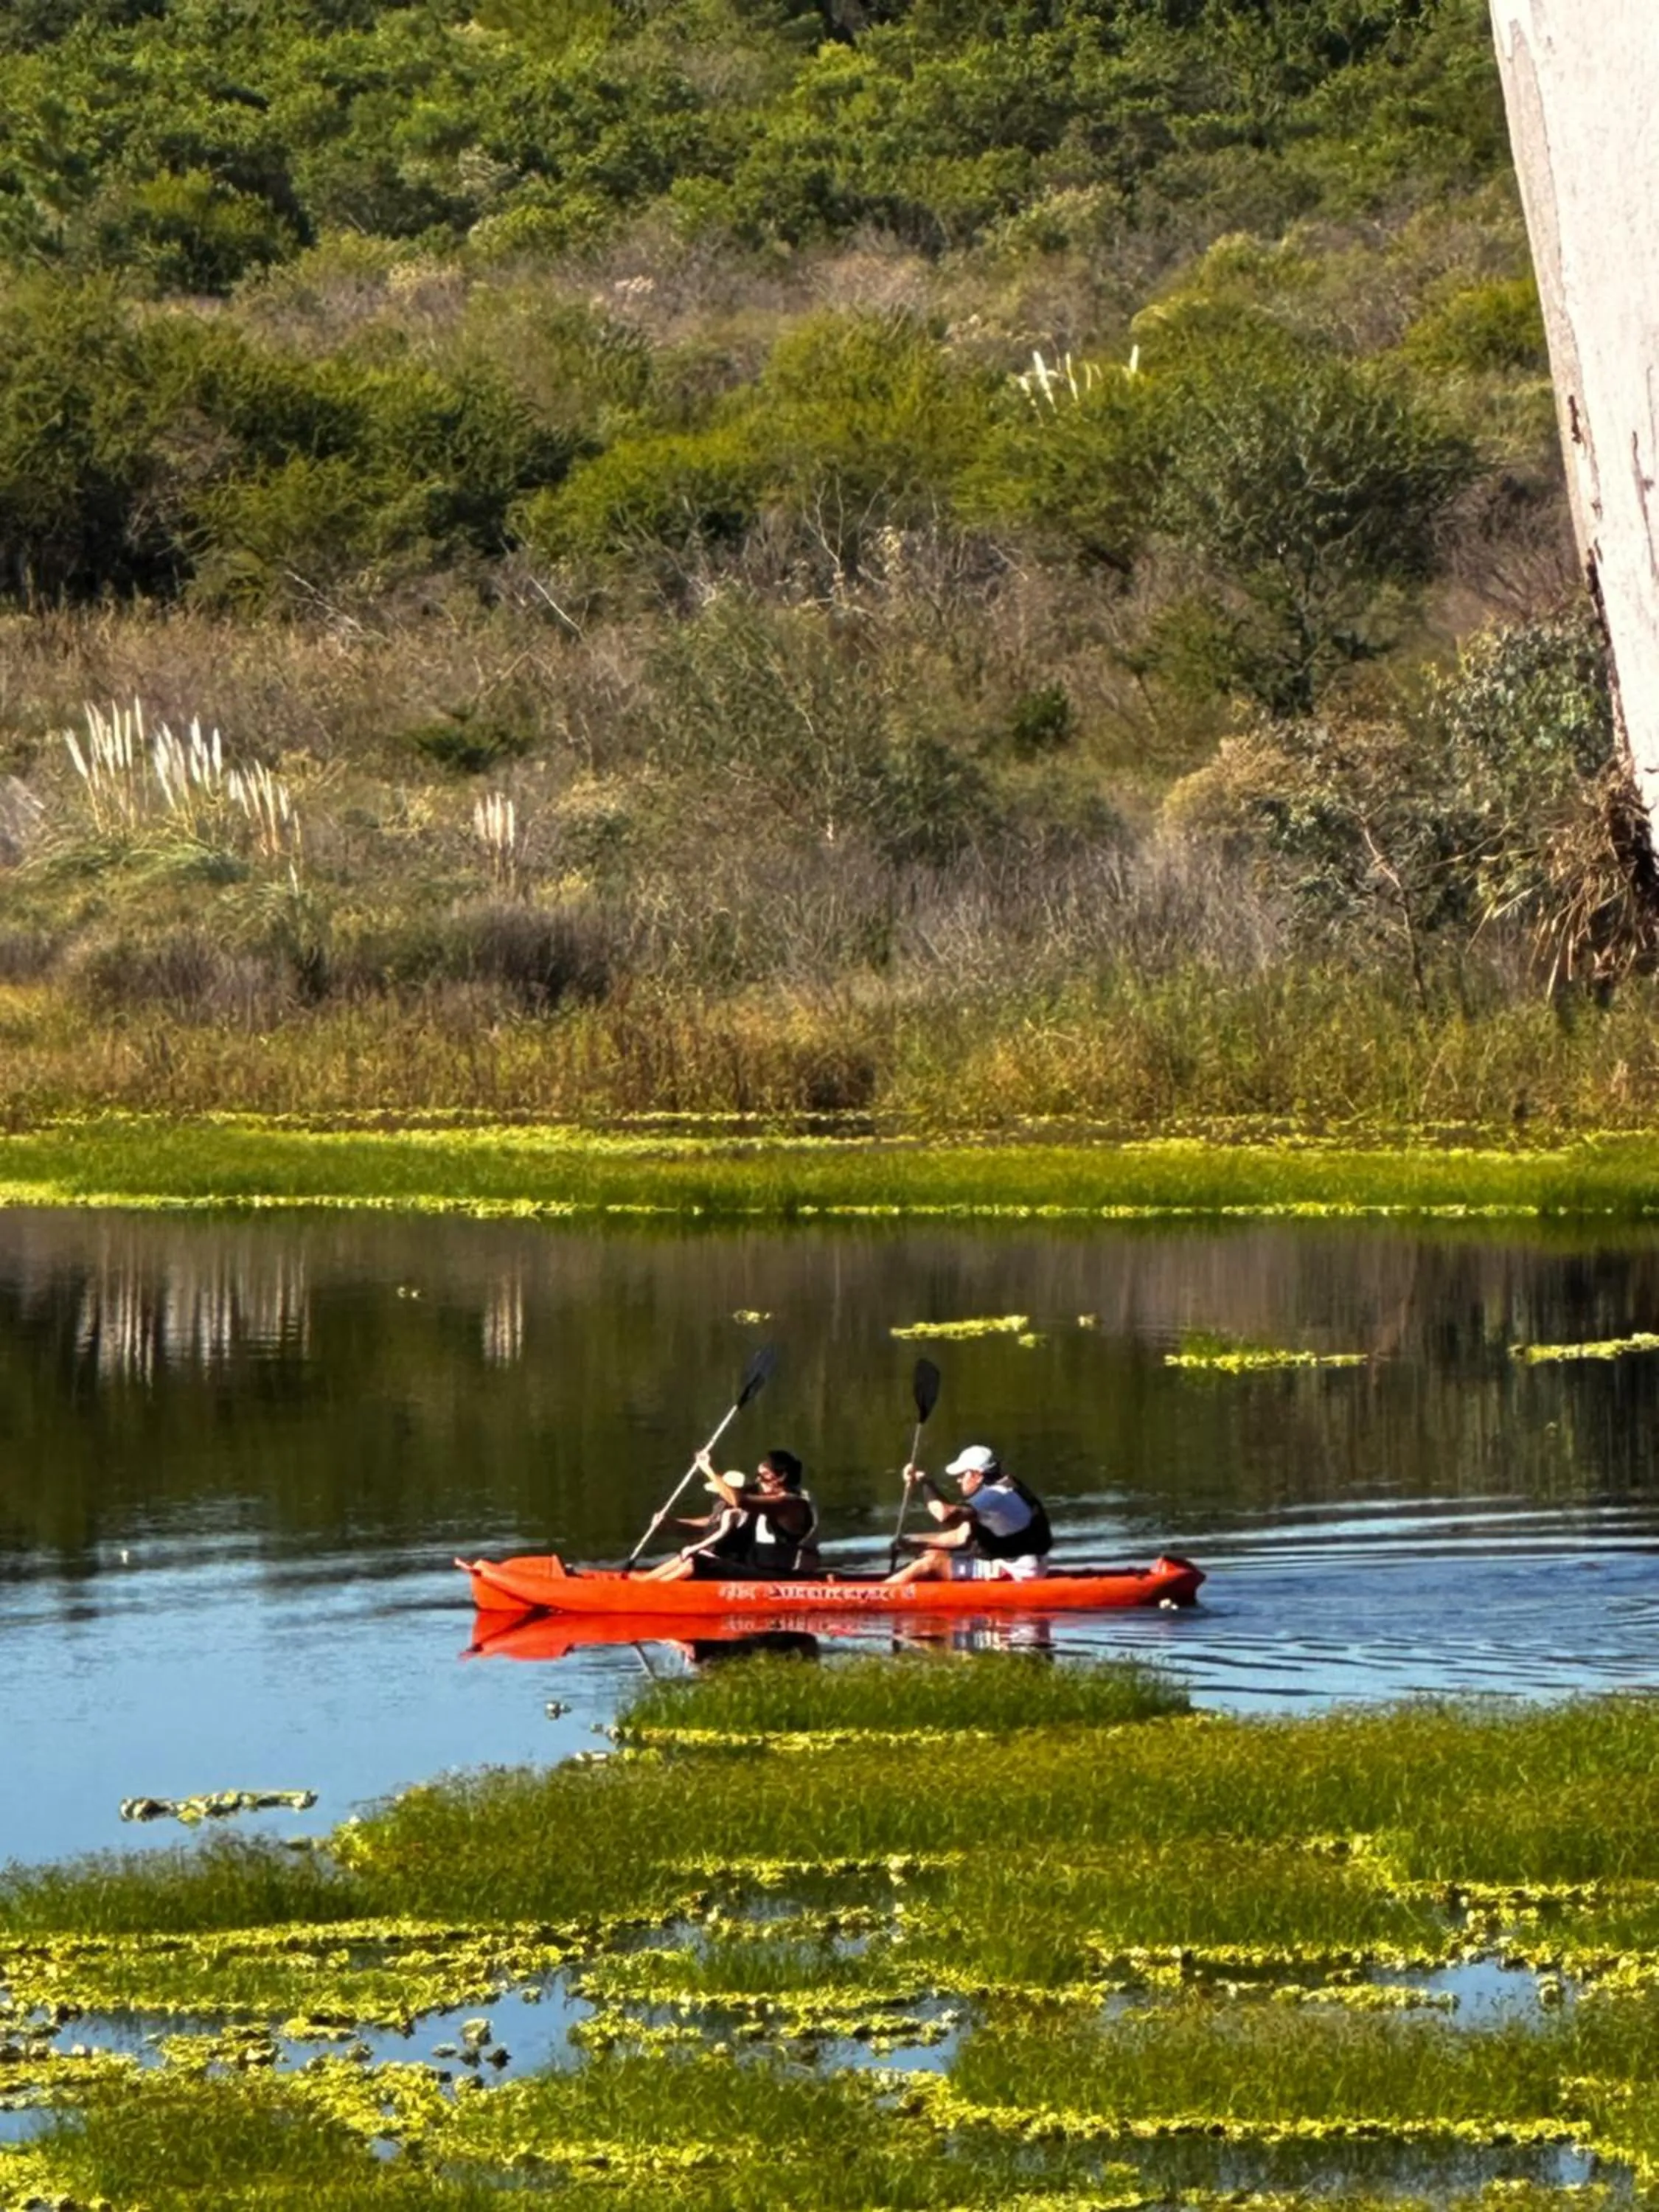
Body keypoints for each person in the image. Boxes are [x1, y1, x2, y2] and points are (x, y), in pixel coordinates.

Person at [638, 1447, 820, 1581]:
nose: (758, 1480)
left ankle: (649, 1594)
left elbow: (738, 1500)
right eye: (757, 1475)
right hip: (758, 1569)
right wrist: (674, 1523)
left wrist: (707, 1468)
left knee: (699, 1562)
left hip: (783, 1576)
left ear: (781, 1478)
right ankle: (643, 1584)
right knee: (693, 1556)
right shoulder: (767, 1499)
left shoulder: (790, 1504)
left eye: (764, 1476)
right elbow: (716, 1521)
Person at [884, 1444, 1052, 1585]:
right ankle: (889, 1586)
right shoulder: (998, 1492)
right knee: (933, 1554)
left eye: (962, 1475)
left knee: (930, 1564)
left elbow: (945, 1516)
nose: (958, 1480)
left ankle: (880, 1594)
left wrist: (924, 1483)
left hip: (1020, 1573)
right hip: (1023, 1565)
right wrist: (909, 1541)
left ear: (976, 1475)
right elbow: (960, 1537)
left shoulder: (994, 1496)